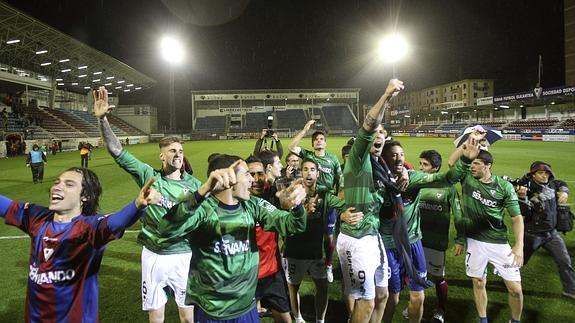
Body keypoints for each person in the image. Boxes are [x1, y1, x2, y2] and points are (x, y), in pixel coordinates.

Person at [94, 86, 201, 323]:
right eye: (172, 150)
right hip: (153, 255)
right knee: (156, 316)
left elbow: (190, 215)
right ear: (161, 156)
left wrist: (160, 200)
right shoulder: (147, 174)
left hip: (183, 254)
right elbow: (117, 151)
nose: (177, 153)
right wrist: (103, 120)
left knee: (187, 316)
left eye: (180, 150)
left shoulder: (195, 185)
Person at [157, 155, 307, 322]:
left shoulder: (252, 205)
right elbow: (166, 229)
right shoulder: (202, 209)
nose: (253, 180)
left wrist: (296, 205)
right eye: (247, 174)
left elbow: (293, 225)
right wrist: (203, 190)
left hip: (246, 309)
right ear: (228, 178)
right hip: (212, 312)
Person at [0, 167, 159, 322]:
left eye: (69, 184)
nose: (57, 187)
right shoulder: (36, 217)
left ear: (85, 196)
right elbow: (6, 207)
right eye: (57, 182)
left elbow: (116, 222)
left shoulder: (89, 228)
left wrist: (138, 205)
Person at [378, 141, 473, 323]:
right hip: (388, 245)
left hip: (413, 243)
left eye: (402, 154)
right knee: (391, 298)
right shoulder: (376, 180)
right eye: (393, 155)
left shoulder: (413, 178)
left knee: (418, 296)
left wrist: (466, 159)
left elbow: (445, 178)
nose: (399, 158)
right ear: (384, 159)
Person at [336, 79, 403, 323]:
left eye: (382, 133)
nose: (378, 135)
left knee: (383, 295)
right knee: (366, 300)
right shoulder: (357, 159)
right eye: (375, 133)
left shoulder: (382, 168)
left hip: (372, 236)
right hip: (356, 238)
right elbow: (368, 124)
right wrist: (385, 96)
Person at [453, 150, 524, 323]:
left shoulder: (503, 187)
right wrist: (466, 146)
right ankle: (483, 319)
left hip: (499, 243)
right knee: (478, 282)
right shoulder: (467, 179)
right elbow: (451, 162)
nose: (472, 167)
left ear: (488, 165)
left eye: (476, 163)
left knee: (515, 289)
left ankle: (515, 321)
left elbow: (516, 218)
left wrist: (519, 245)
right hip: (475, 241)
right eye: (471, 163)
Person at [284, 159, 348, 323]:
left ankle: (320, 320)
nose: (309, 172)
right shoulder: (292, 192)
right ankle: (298, 318)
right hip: (294, 251)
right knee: (293, 287)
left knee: (322, 287)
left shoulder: (325, 194)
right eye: (305, 169)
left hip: (315, 252)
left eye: (312, 169)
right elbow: (284, 213)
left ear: (318, 174)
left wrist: (343, 211)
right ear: (302, 172)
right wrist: (302, 210)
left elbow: (341, 203)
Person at [403, 150, 462, 323]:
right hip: (416, 239)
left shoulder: (448, 188)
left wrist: (460, 239)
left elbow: (458, 214)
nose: (421, 167)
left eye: (426, 165)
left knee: (437, 278)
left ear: (436, 168)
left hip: (436, 242)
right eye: (420, 163)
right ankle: (413, 304)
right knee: (413, 275)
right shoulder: (416, 184)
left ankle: (440, 310)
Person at [289, 120, 343, 282]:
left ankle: (327, 265)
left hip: (327, 202)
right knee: (308, 234)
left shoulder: (332, 159)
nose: (319, 141)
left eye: (321, 139)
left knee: (328, 237)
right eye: (316, 139)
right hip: (309, 201)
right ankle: (307, 263)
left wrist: (338, 199)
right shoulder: (308, 156)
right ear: (312, 144)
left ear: (325, 143)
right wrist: (305, 129)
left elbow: (340, 180)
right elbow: (291, 147)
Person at [517, 161, 575, 300]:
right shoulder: (526, 188)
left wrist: (565, 192)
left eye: (547, 173)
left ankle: (570, 290)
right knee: (519, 262)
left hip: (551, 234)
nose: (544, 176)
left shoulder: (553, 184)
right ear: (533, 174)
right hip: (531, 234)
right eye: (540, 173)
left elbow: (562, 183)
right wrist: (522, 197)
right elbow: (522, 213)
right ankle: (509, 280)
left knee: (564, 261)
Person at [246, 155, 292, 323]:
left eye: (260, 174)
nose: (257, 179)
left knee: (286, 319)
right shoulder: (236, 204)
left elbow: (290, 220)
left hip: (273, 272)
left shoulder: (272, 194)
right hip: (248, 276)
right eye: (251, 174)